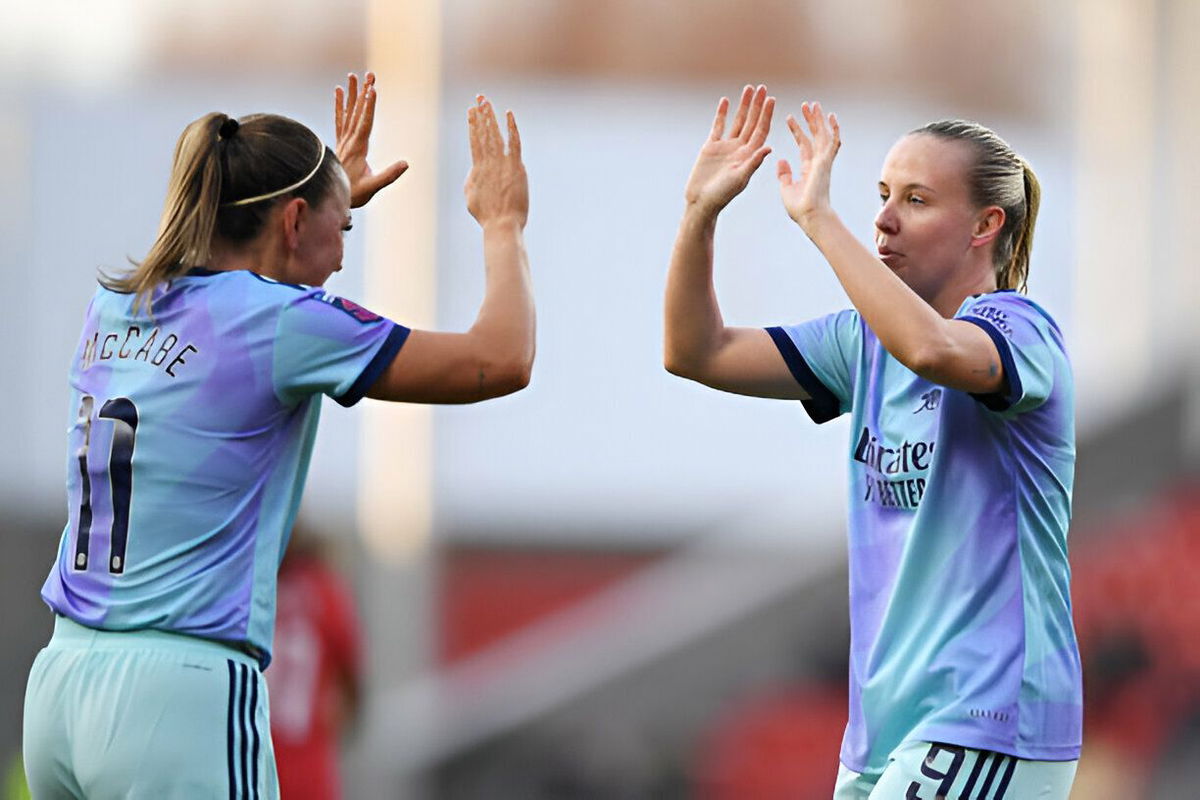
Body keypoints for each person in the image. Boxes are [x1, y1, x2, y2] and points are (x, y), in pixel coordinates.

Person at [23, 72, 533, 799]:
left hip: (61, 684)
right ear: (293, 223)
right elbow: (500, 358)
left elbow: (222, 308)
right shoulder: (286, 321)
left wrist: (325, 203)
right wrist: (502, 224)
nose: (344, 251)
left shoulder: (114, 306)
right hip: (180, 693)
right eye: (343, 228)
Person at [664, 85, 1081, 799]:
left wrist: (821, 221)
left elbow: (931, 348)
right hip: (884, 732)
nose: (883, 219)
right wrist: (700, 213)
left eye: (915, 200)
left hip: (987, 719)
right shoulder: (860, 342)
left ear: (985, 224)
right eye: (883, 194)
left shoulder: (1022, 332)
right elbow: (696, 351)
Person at [267, 525, 363, 800]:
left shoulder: (243, 586)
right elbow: (352, 688)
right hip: (309, 769)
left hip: (248, 762)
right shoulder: (326, 591)